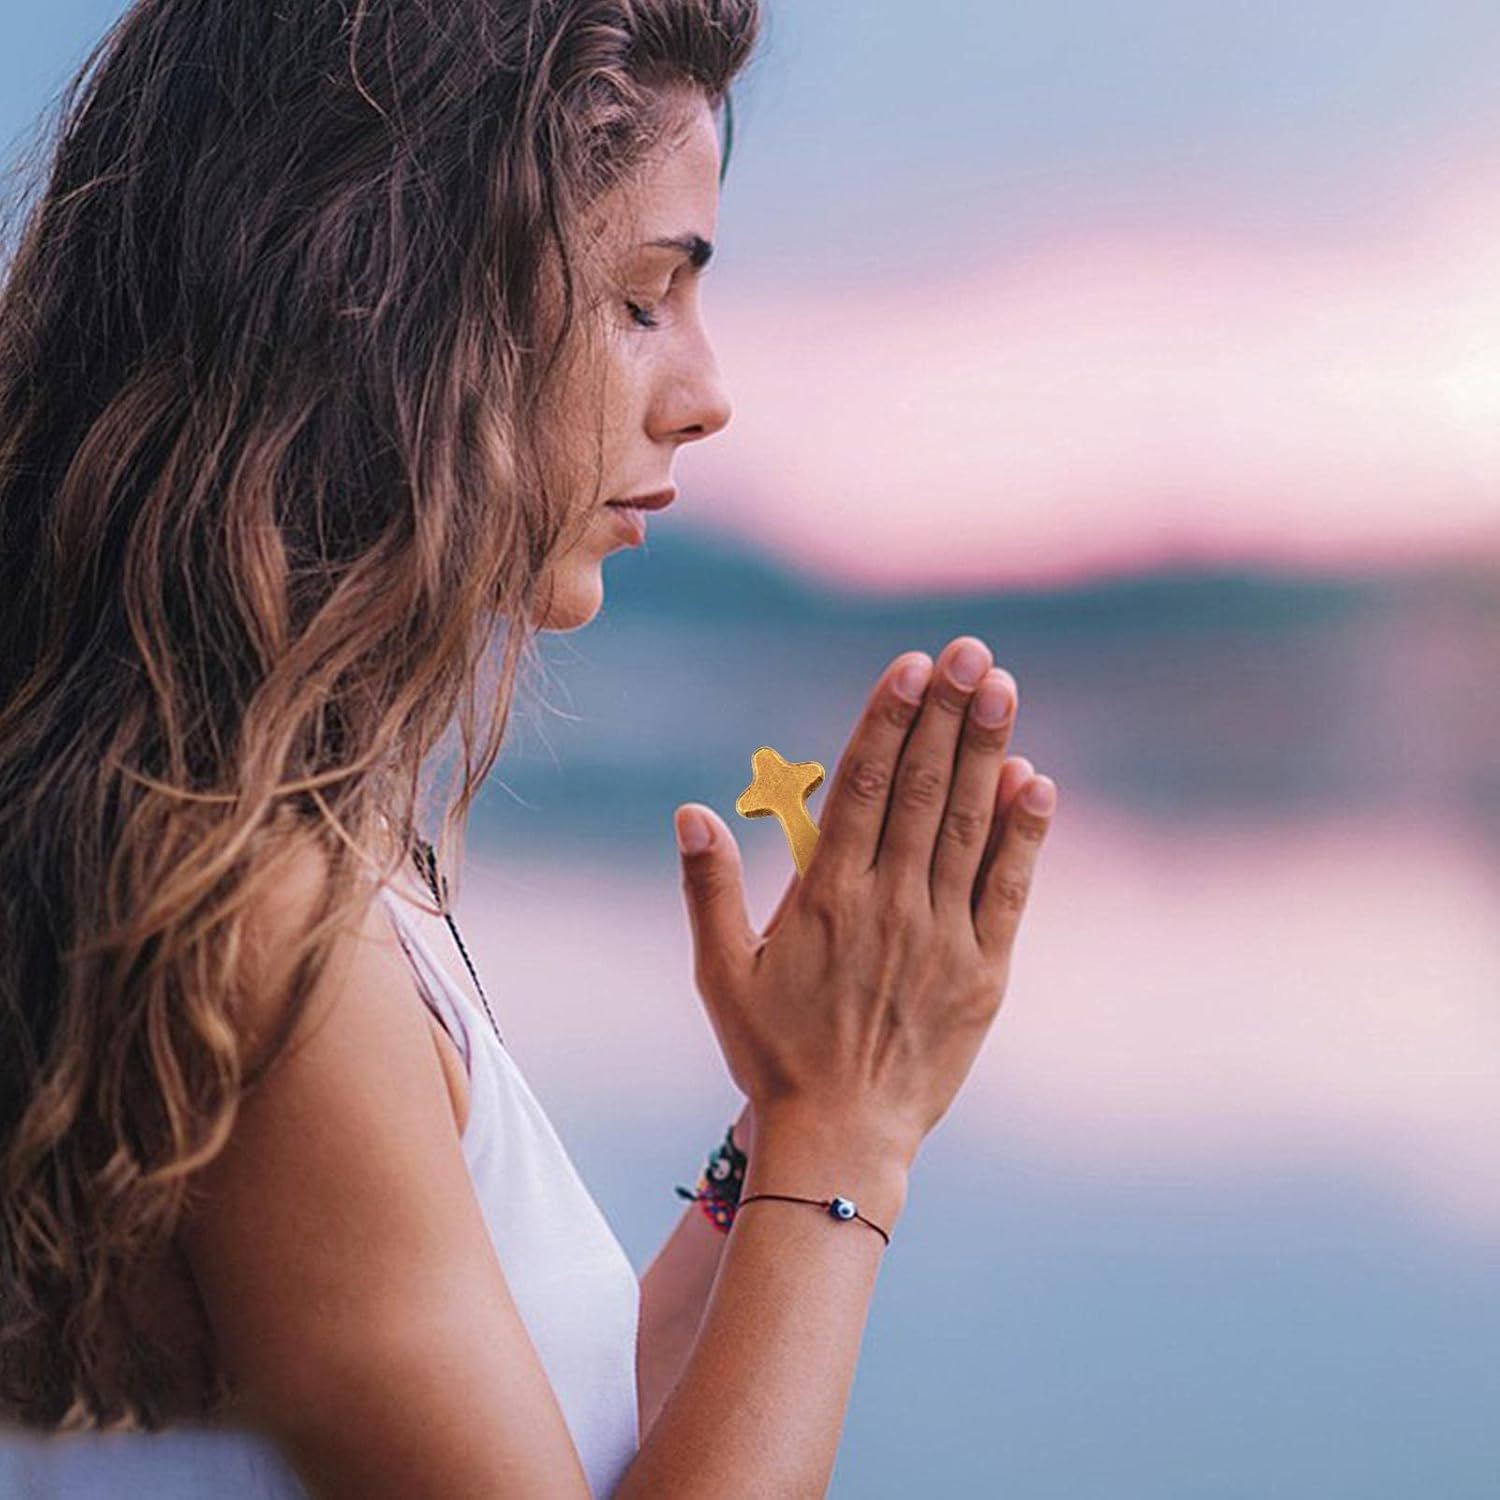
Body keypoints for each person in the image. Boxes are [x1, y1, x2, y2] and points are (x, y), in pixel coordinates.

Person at [0, 1, 1058, 1494]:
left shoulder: (308, 858)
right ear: (383, 308)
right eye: (641, 300)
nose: (705, 396)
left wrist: (790, 1113)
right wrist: (850, 1137)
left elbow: (563, 1430)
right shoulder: (259, 934)